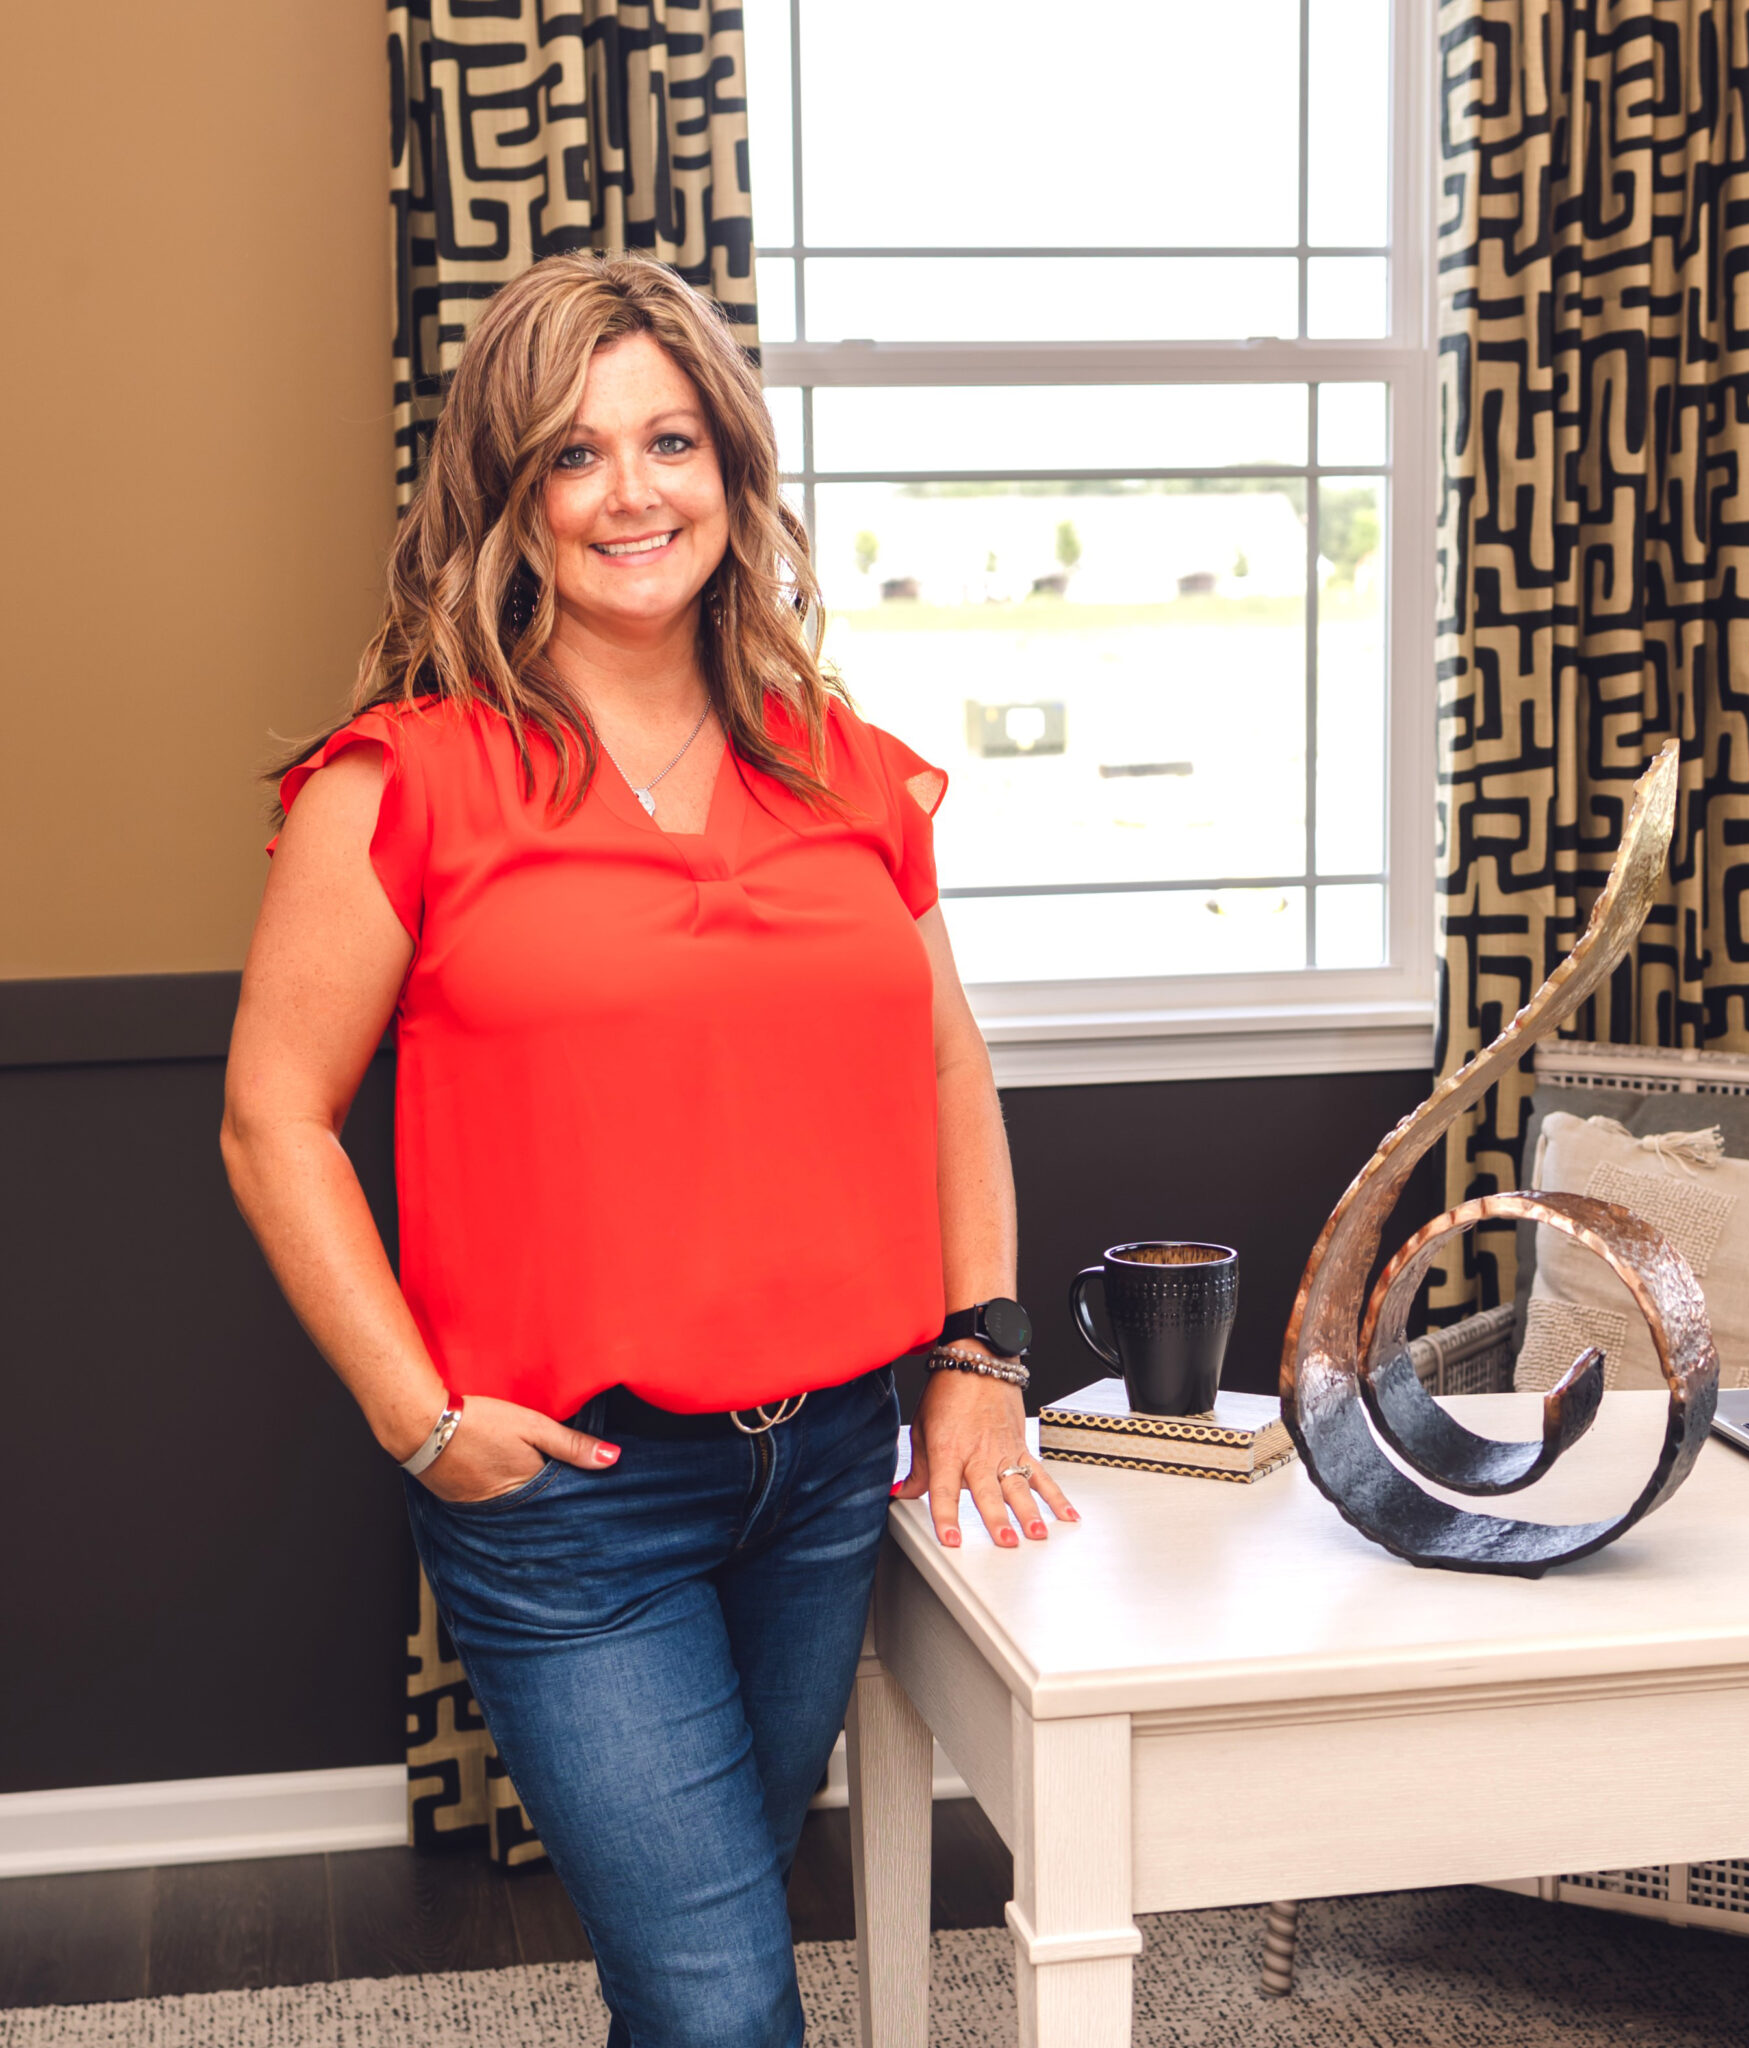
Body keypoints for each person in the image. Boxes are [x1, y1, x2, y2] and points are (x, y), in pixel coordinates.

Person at [220, 250, 1076, 2048]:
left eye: (670, 441)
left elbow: (947, 1075)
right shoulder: (408, 781)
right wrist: (418, 1419)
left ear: (733, 473)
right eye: (574, 456)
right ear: (509, 505)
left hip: (831, 1474)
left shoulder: (849, 770)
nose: (632, 494)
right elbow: (271, 1119)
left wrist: (981, 1354)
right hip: (570, 1505)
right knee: (721, 2001)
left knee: (698, 1967)